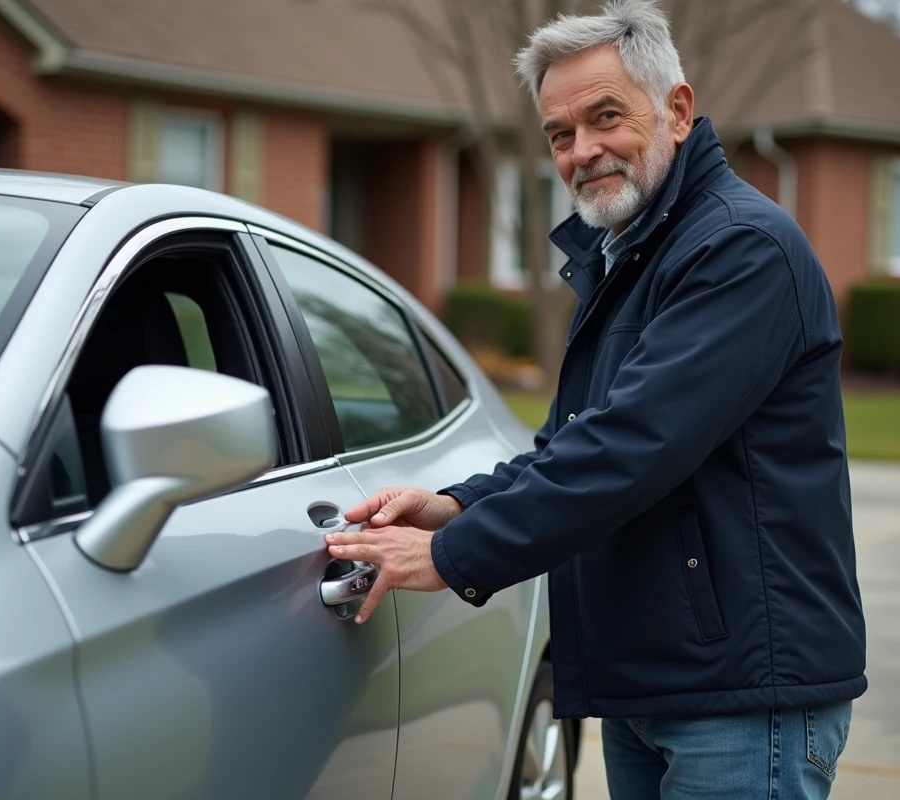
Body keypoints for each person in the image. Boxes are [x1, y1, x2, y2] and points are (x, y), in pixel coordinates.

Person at [324, 0, 866, 796]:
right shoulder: (633, 254)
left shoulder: (739, 249)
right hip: (659, 681)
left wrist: (451, 557)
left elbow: (632, 448)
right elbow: (574, 441)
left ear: (677, 110)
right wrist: (457, 506)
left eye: (605, 117)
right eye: (560, 135)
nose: (583, 151)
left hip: (746, 698)